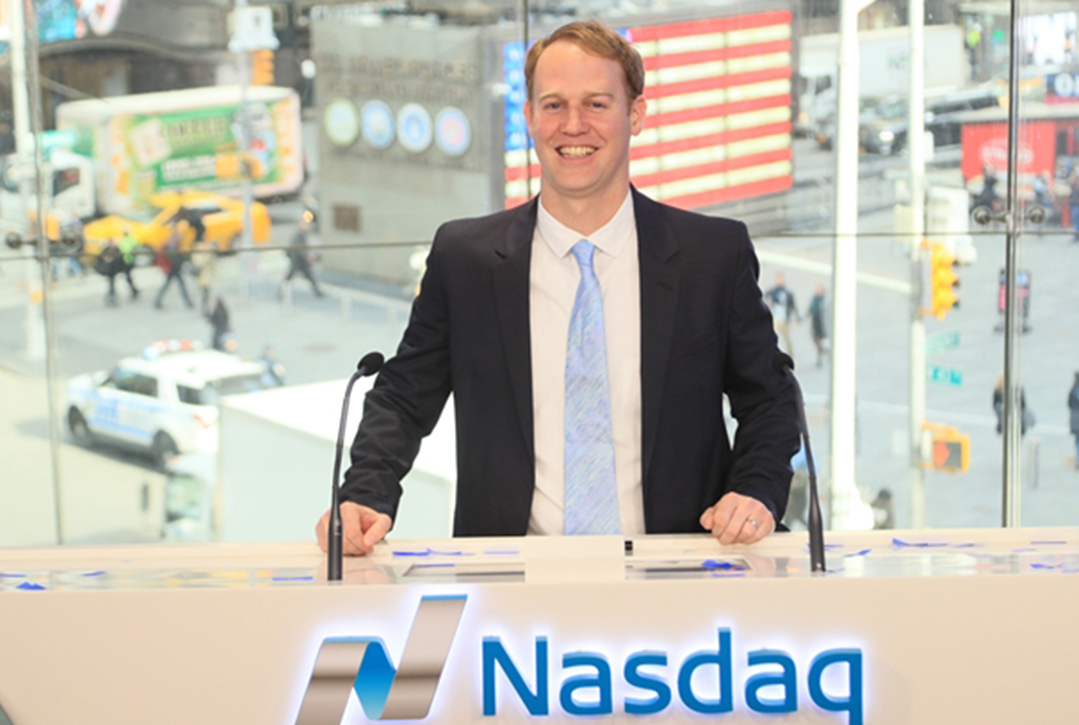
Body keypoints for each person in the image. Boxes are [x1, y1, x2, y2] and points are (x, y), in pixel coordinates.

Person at [319, 20, 798, 556]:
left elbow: (772, 399)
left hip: (680, 577)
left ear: (634, 115)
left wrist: (756, 489)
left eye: (596, 104)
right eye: (553, 105)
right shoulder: (466, 261)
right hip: (510, 588)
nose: (573, 125)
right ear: (529, 118)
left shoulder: (712, 255)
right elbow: (403, 399)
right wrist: (365, 493)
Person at [153, 220, 195, 309]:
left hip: (173, 268)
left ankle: (157, 301)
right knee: (178, 284)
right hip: (173, 268)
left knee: (170, 284)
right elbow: (173, 257)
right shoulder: (172, 243)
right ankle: (187, 302)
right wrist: (181, 264)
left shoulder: (172, 241)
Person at [284, 212, 324, 298]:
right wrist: (308, 257)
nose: (307, 226)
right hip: (297, 260)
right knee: (290, 277)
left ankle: (318, 292)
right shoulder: (298, 235)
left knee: (309, 276)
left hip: (300, 261)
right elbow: (300, 249)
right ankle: (283, 292)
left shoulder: (302, 234)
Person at [765, 272, 801, 358]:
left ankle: (790, 354)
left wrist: (797, 316)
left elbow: (793, 305)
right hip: (776, 318)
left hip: (785, 319)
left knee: (787, 338)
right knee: (772, 337)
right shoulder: (773, 291)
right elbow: (765, 296)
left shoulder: (787, 292)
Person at [807, 284, 828, 368]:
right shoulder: (814, 299)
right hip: (815, 323)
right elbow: (810, 309)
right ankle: (823, 351)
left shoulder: (825, 301)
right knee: (815, 340)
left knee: (819, 340)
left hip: (822, 324)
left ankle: (819, 359)